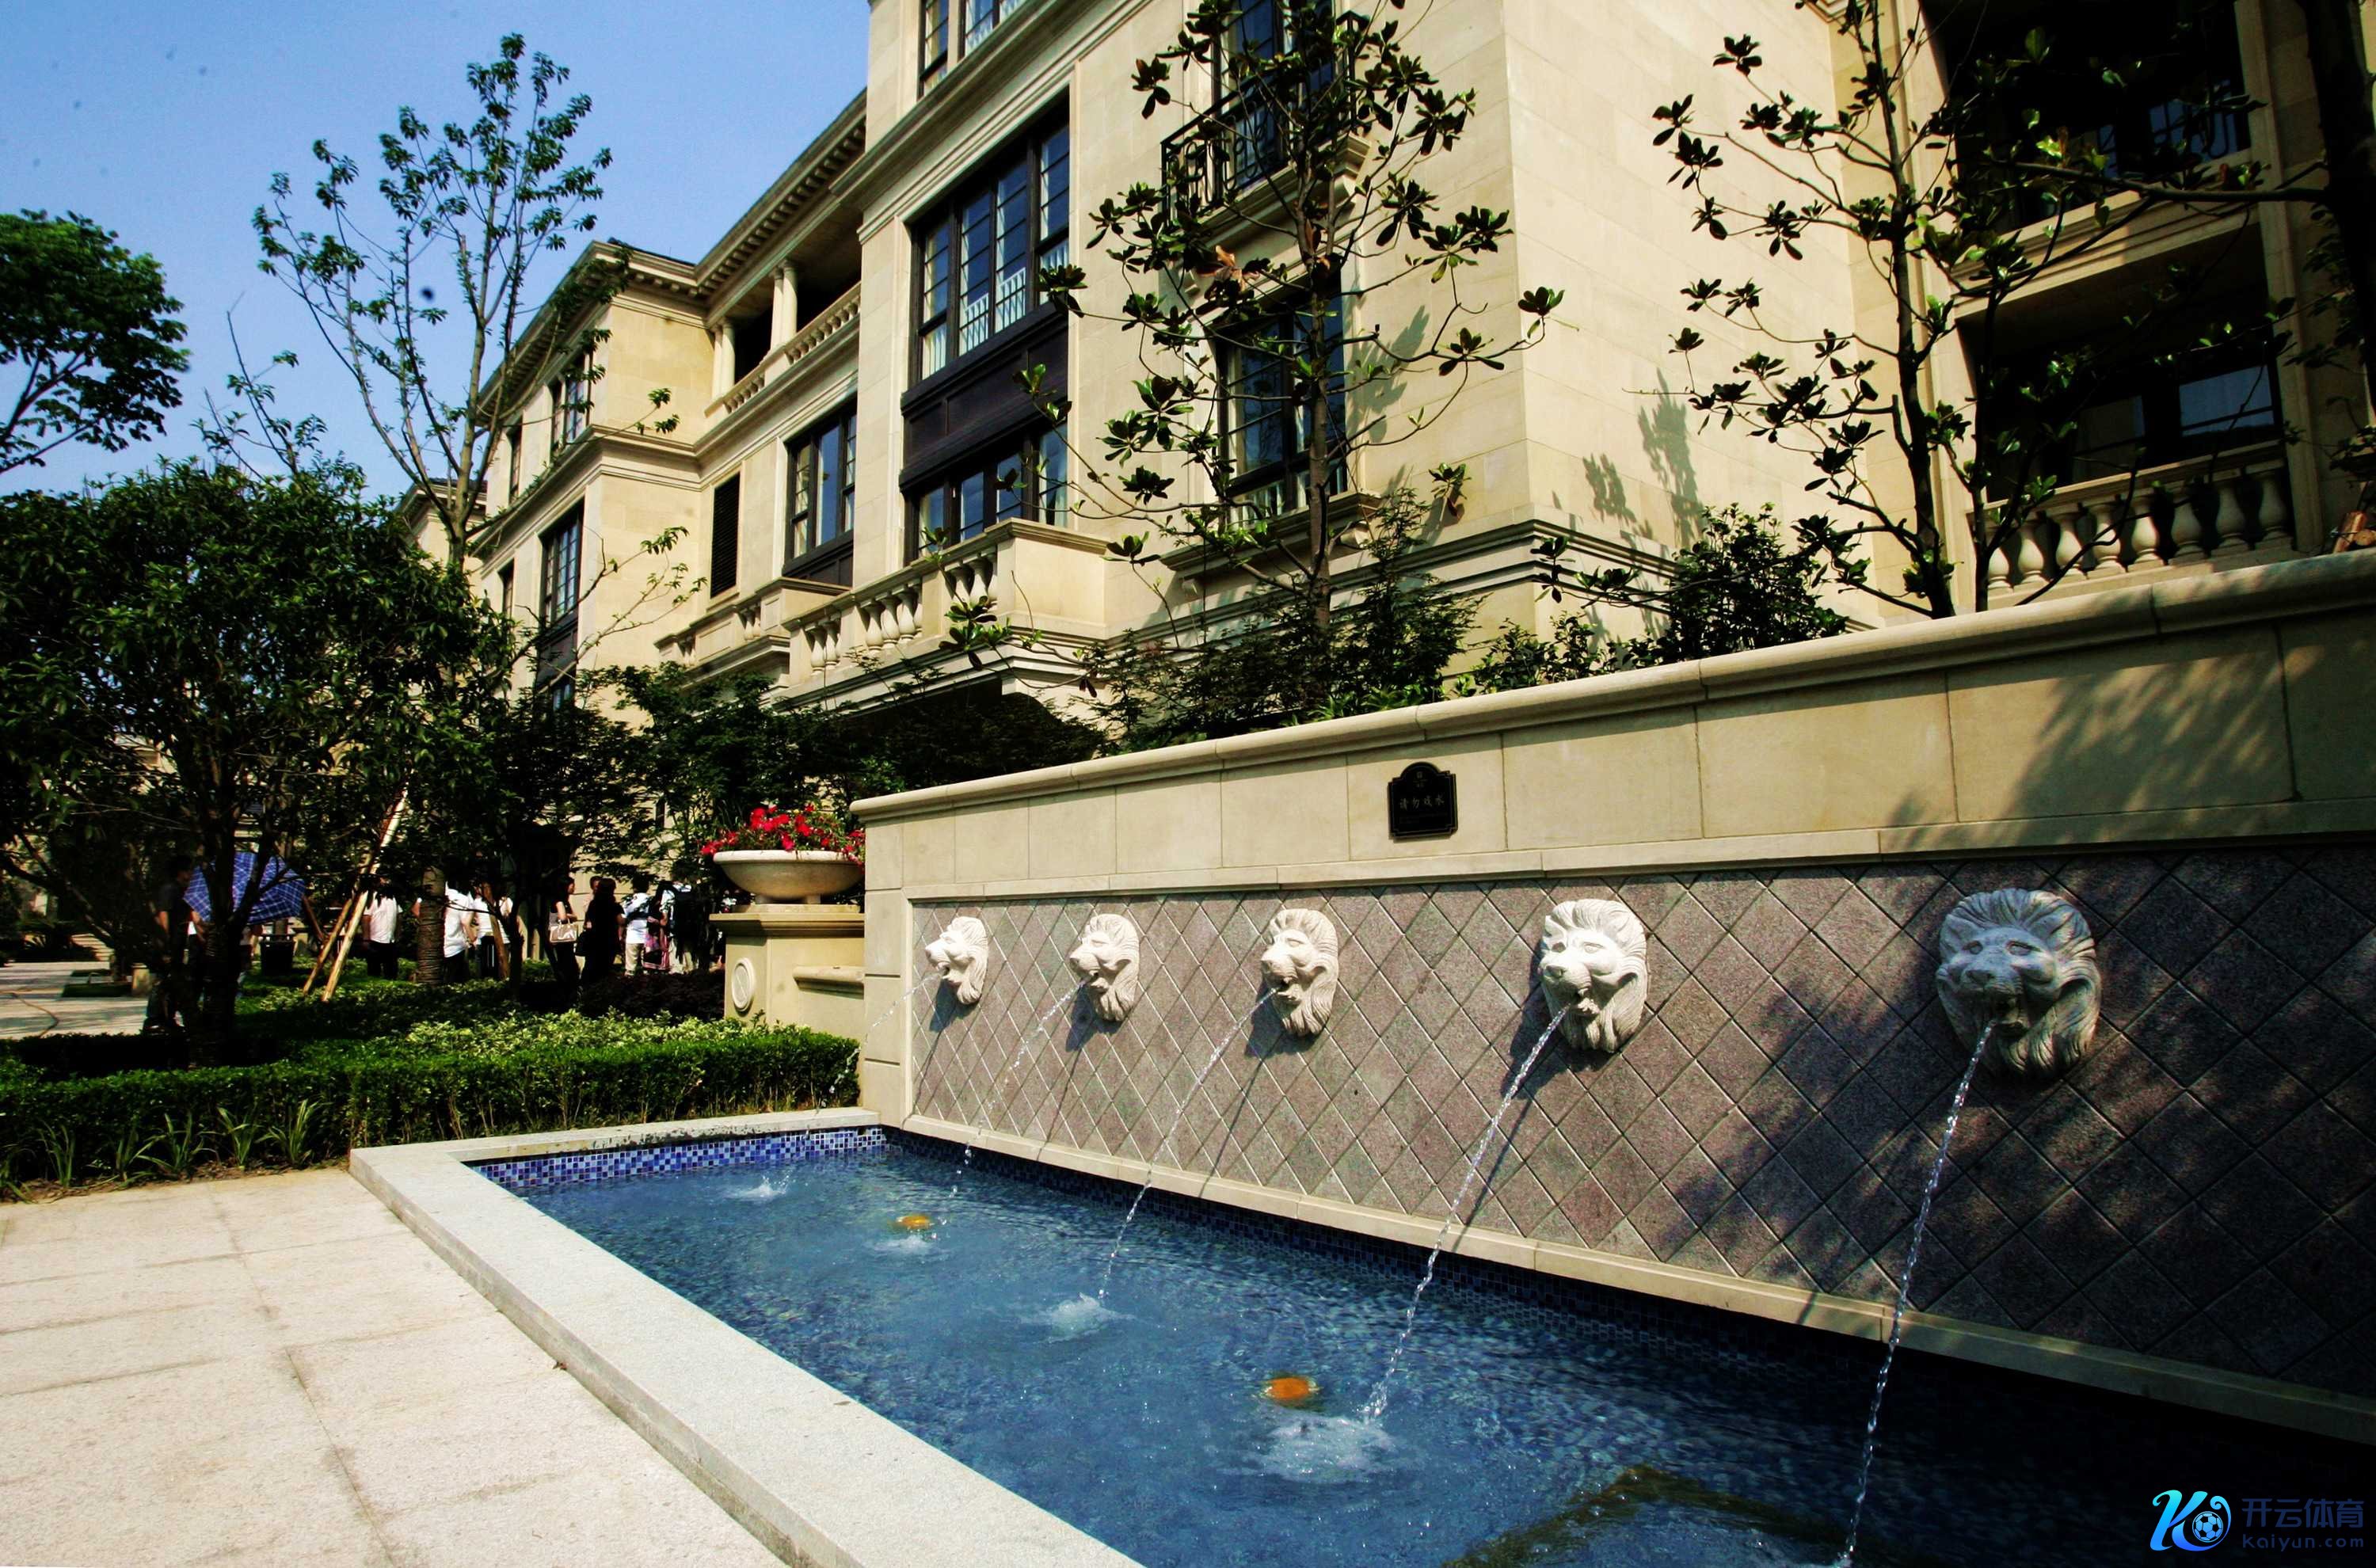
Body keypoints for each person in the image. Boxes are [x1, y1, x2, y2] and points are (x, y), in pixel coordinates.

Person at [144, 858, 196, 1032]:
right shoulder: (170, 889)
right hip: (169, 944)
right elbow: (163, 914)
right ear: (181, 872)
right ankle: (154, 1018)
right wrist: (165, 940)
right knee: (162, 981)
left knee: (174, 982)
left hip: (178, 942)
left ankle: (169, 1017)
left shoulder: (182, 890)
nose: (191, 874)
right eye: (189, 870)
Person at [580, 877, 622, 981]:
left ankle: (587, 987)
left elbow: (588, 921)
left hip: (594, 939)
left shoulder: (593, 904)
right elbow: (621, 921)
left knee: (591, 967)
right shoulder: (614, 905)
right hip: (610, 940)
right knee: (606, 968)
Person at [547, 877, 581, 999]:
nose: (574, 888)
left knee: (566, 963)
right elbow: (562, 917)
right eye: (572, 885)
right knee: (568, 964)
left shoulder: (563, 901)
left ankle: (568, 990)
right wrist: (573, 916)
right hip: (563, 939)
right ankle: (569, 991)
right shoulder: (560, 902)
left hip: (562, 939)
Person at [363, 878, 402, 979]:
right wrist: (366, 938)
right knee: (374, 972)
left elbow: (399, 917)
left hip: (390, 940)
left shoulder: (393, 897)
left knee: (391, 972)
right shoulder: (371, 896)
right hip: (375, 940)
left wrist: (398, 936)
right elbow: (366, 918)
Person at [622, 876, 653, 979]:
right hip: (648, 935)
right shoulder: (651, 900)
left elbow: (623, 918)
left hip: (632, 935)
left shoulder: (629, 900)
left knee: (630, 968)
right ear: (647, 887)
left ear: (634, 887)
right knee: (648, 968)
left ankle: (628, 984)